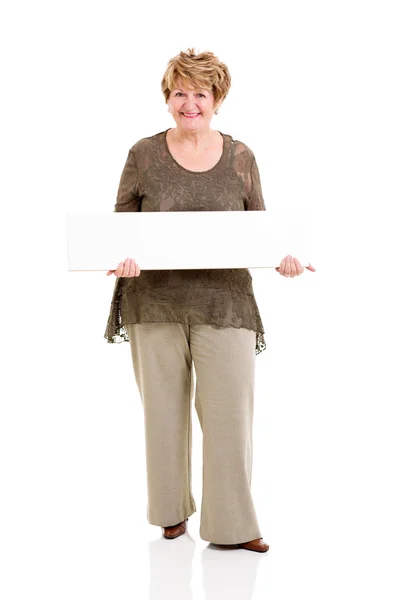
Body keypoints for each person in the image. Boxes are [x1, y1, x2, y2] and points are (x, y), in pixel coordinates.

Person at [104, 48, 316, 553]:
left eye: (201, 93)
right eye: (180, 92)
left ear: (217, 99)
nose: (190, 102)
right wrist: (122, 258)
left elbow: (261, 229)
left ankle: (233, 528)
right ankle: (171, 515)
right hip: (153, 300)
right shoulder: (143, 154)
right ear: (167, 98)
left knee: (229, 417)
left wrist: (284, 259)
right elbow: (119, 228)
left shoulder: (242, 157)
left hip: (225, 301)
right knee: (163, 414)